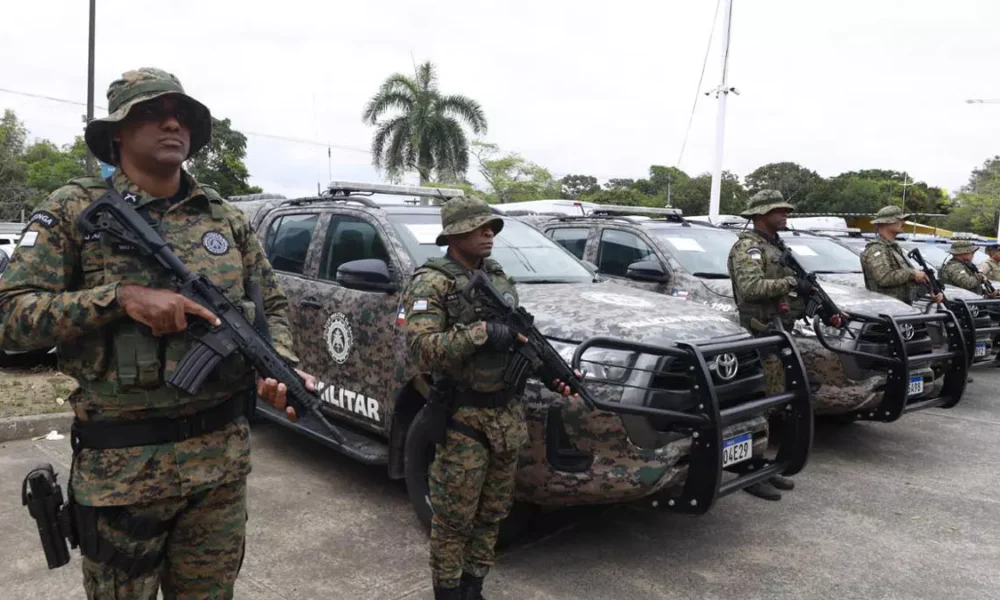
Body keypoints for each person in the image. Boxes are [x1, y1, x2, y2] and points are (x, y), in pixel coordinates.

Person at [0, 67, 312, 599]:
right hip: (123, 472)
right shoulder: (74, 209)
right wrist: (119, 299)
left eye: (182, 114)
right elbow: (10, 317)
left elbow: (272, 305)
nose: (172, 123)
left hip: (219, 468)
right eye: (152, 113)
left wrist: (275, 361)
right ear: (116, 132)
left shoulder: (226, 218)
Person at [402, 196, 576, 600]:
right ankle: (447, 593)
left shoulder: (496, 276)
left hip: (506, 418)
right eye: (480, 227)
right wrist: (481, 334)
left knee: (493, 513)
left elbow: (519, 340)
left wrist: (553, 374)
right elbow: (421, 350)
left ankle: (473, 587)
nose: (489, 234)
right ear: (455, 234)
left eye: (492, 227)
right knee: (453, 518)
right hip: (463, 418)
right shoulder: (432, 282)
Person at [728, 190, 841, 502]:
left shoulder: (776, 246)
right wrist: (792, 284)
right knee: (756, 405)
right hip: (759, 337)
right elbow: (751, 289)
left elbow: (789, 294)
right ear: (762, 213)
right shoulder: (748, 247)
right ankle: (746, 469)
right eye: (779, 210)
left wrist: (820, 307)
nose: (785, 214)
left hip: (779, 335)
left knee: (773, 403)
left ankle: (759, 463)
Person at [860, 205, 944, 305]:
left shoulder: (894, 248)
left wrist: (929, 291)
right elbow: (884, 278)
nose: (903, 223)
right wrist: (912, 273)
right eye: (900, 220)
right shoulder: (877, 249)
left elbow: (903, 281)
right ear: (887, 222)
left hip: (900, 308)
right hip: (886, 309)